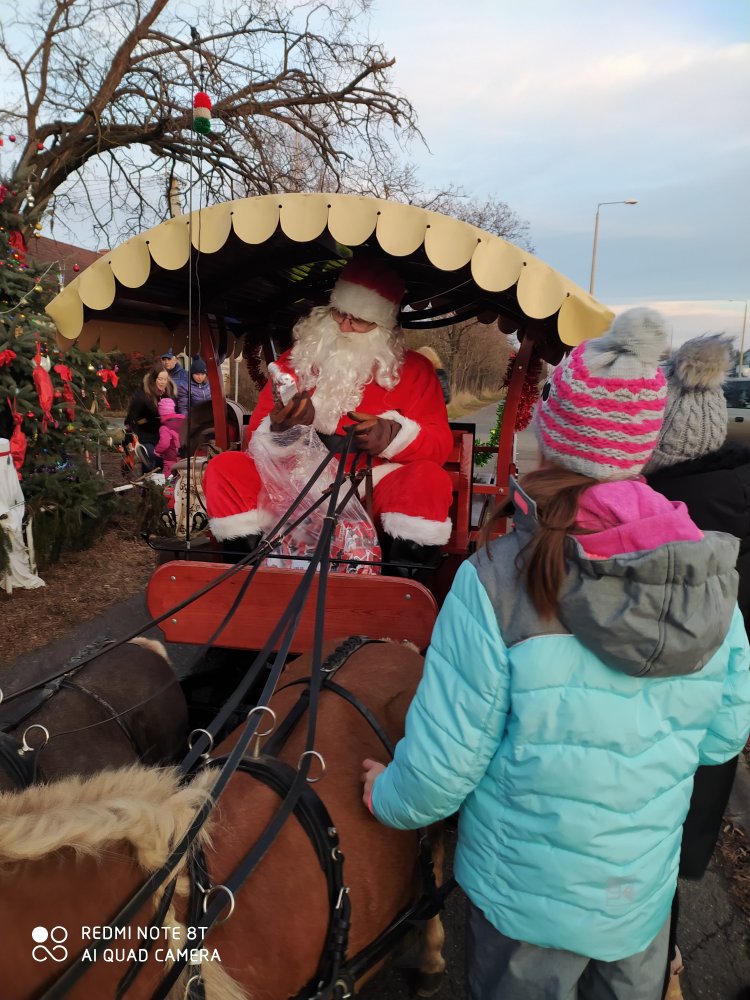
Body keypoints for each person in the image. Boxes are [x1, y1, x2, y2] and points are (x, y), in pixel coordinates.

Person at [361, 308, 750, 1000]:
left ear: (550, 441)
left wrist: (383, 797)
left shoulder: (497, 582)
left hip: (523, 913)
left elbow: (441, 773)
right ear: (641, 447)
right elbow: (724, 734)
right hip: (637, 906)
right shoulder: (711, 581)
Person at [202, 258, 454, 562]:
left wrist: (392, 436)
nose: (345, 326)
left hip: (371, 486)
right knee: (225, 469)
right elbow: (256, 437)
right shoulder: (296, 359)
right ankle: (248, 575)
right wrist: (283, 429)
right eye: (339, 314)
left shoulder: (415, 370)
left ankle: (399, 588)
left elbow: (439, 444)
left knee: (429, 480)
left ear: (384, 326)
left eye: (359, 320)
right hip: (293, 483)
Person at [644, 333, 750, 999]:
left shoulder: (649, 510)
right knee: (676, 852)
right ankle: (667, 967)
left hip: (652, 711)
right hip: (717, 710)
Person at [124, 363, 177, 474]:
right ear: (154, 379)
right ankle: (148, 484)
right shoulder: (142, 394)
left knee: (162, 460)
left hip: (163, 433)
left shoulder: (170, 391)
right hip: (145, 431)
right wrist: (129, 438)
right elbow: (132, 417)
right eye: (160, 379)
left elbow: (175, 412)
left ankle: (159, 485)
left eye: (165, 379)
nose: (163, 382)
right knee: (149, 455)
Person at [154, 397, 185, 479]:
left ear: (161, 413)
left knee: (169, 477)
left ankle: (170, 491)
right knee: (183, 477)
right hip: (185, 456)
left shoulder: (164, 427)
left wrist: (157, 450)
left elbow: (164, 443)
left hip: (171, 458)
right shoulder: (184, 422)